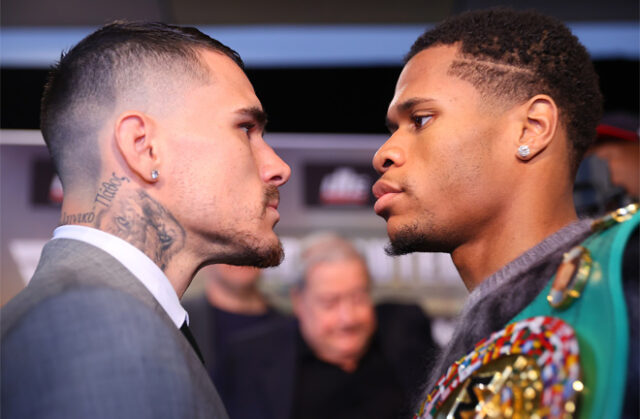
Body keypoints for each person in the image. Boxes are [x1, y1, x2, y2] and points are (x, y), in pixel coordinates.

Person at [1, 21, 290, 419]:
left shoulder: (111, 316)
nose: (278, 167)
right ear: (143, 148)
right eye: (245, 129)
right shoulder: (100, 327)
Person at [371, 8, 638, 418]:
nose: (384, 154)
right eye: (393, 129)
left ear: (530, 129)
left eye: (420, 120)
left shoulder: (626, 282)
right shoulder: (480, 335)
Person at [218, 233, 438, 419]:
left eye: (359, 298)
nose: (348, 319)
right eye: (330, 303)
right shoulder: (250, 359)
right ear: (299, 302)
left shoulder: (404, 331)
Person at [183, 264, 288, 387]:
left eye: (254, 244)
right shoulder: (175, 322)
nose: (244, 253)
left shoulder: (294, 327)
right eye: (226, 244)